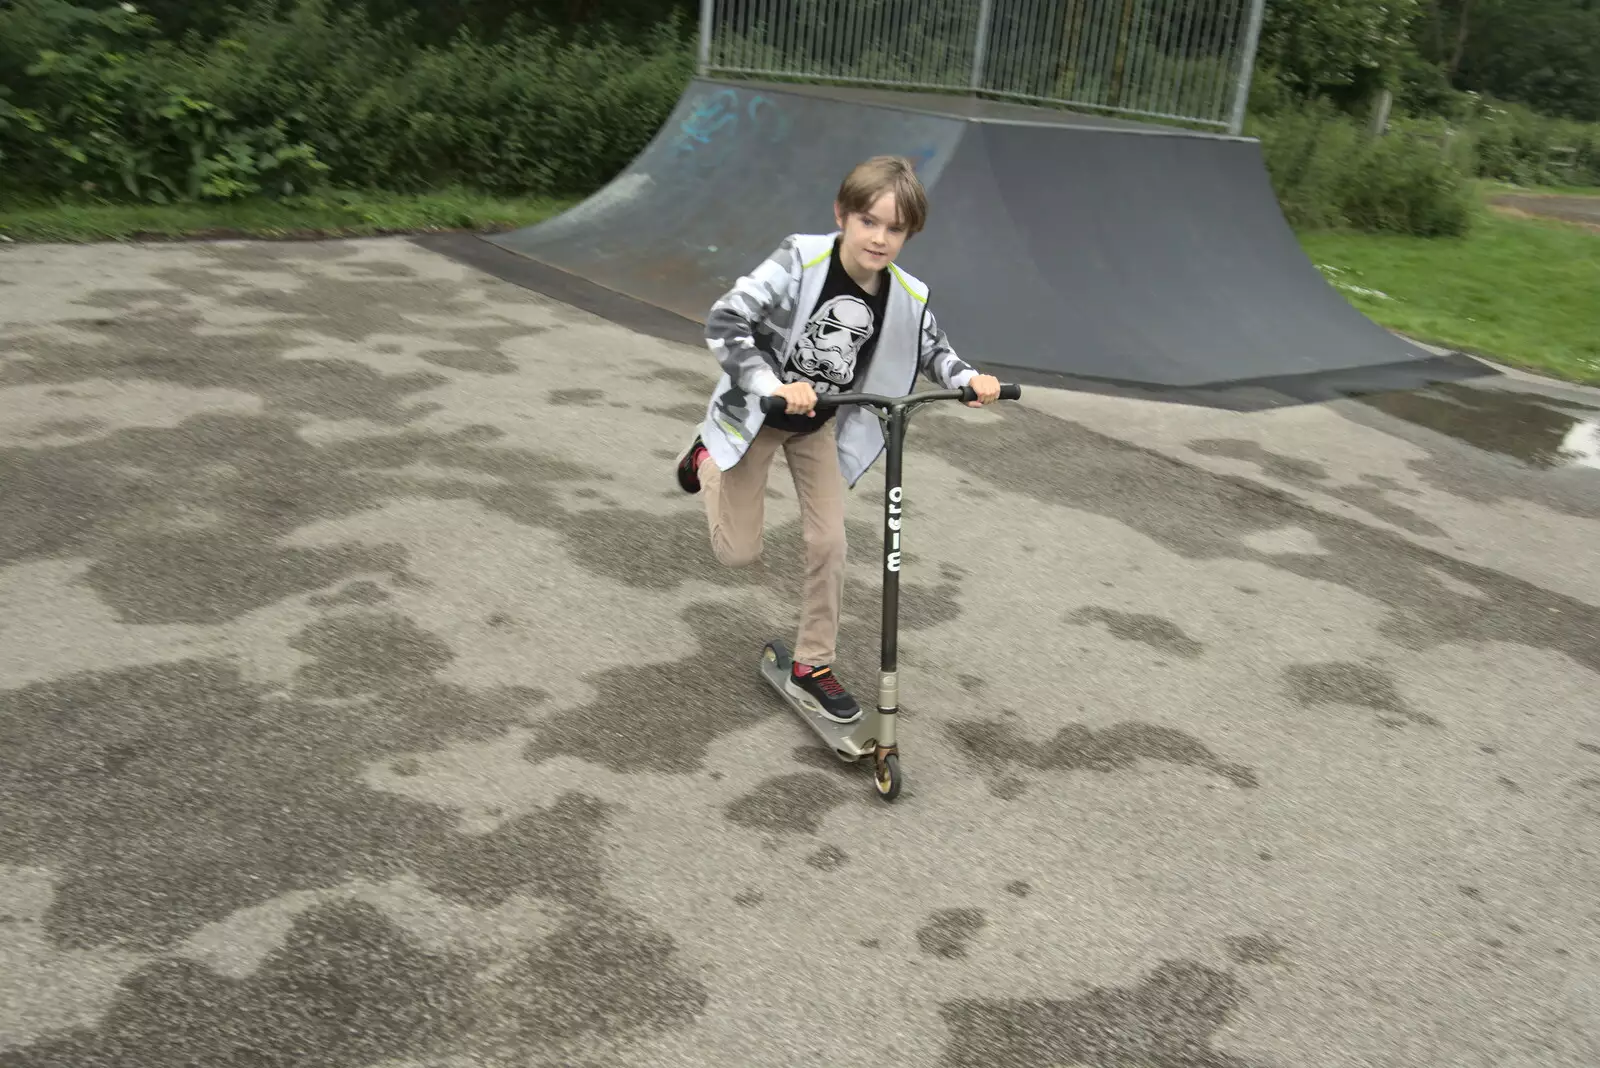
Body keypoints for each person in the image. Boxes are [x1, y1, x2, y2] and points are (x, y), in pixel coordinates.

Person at [674, 155, 1001, 724]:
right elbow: (726, 318)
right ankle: (705, 455)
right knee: (738, 552)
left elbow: (934, 350)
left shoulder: (904, 293)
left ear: (908, 233)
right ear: (843, 216)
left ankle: (813, 664)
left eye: (895, 228)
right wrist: (772, 383)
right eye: (869, 221)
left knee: (830, 543)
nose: (879, 239)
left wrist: (969, 380)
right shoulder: (801, 259)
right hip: (760, 415)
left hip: (820, 423)